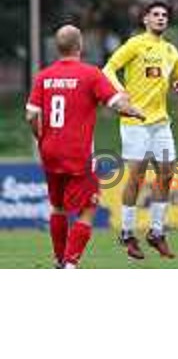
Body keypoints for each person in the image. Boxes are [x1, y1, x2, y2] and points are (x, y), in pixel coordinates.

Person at [25, 25, 145, 268]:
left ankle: (59, 260)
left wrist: (40, 138)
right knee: (88, 209)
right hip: (78, 153)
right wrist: (135, 111)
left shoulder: (44, 76)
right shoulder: (90, 74)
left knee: (58, 207)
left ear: (58, 47)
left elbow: (30, 115)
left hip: (49, 151)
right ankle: (70, 264)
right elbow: (116, 104)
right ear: (80, 46)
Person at [103, 1, 178, 260]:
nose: (161, 18)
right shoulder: (135, 44)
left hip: (161, 122)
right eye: (155, 15)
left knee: (166, 174)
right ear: (145, 19)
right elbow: (108, 69)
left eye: (164, 15)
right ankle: (127, 233)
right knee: (137, 176)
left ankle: (156, 232)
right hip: (135, 122)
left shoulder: (170, 50)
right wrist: (120, 95)